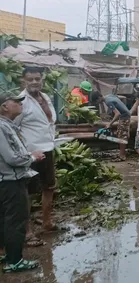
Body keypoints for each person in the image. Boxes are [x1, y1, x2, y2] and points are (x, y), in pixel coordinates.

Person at [0, 92, 44, 273]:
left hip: (6, 180)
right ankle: (15, 261)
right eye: (16, 102)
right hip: (10, 180)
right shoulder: (2, 127)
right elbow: (11, 157)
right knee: (15, 220)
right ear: (4, 107)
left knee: (4, 218)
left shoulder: (8, 126)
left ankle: (8, 255)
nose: (20, 104)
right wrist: (31, 157)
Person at [14, 67, 58, 242]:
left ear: (42, 80)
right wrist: (25, 151)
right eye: (30, 79)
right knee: (29, 192)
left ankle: (47, 222)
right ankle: (27, 231)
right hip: (30, 154)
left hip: (48, 149)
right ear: (23, 81)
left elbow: (49, 123)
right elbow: (13, 129)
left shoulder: (45, 97)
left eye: (37, 79)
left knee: (49, 187)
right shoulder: (20, 102)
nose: (34, 82)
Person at [92, 91, 131, 161]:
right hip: (126, 115)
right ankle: (121, 154)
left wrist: (110, 123)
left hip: (124, 117)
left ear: (99, 98)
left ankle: (122, 156)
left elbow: (117, 113)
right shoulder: (109, 95)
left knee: (121, 137)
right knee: (122, 135)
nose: (98, 103)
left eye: (97, 101)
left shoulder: (108, 101)